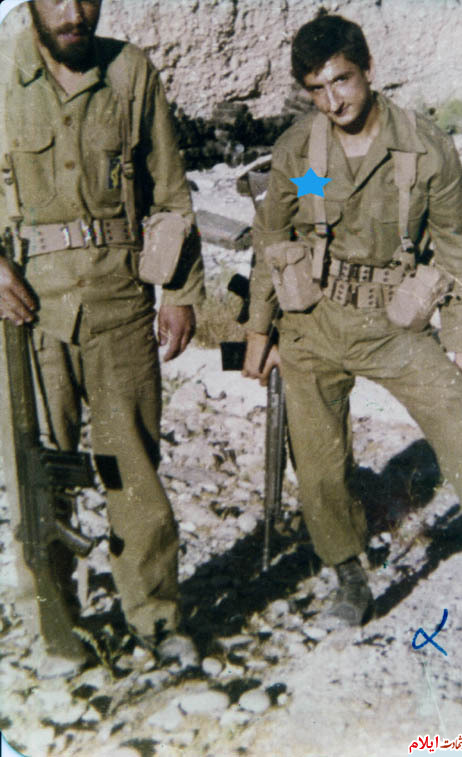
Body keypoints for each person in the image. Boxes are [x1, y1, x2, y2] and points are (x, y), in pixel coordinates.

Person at [243, 13, 462, 653]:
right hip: (312, 322)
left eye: (342, 80)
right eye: (316, 89)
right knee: (319, 464)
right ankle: (349, 577)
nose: (333, 101)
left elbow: (458, 241)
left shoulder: (424, 145)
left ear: (369, 71)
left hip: (393, 323)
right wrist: (260, 331)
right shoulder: (298, 149)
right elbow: (272, 235)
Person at [0, 0, 203, 673]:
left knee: (133, 468)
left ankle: (156, 617)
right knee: (37, 472)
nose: (73, 12)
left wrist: (179, 290)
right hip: (27, 314)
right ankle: (56, 625)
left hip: (120, 302)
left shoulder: (130, 72)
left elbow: (169, 192)